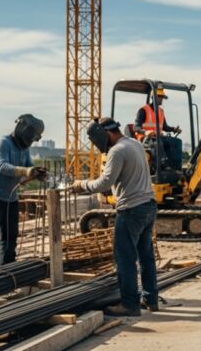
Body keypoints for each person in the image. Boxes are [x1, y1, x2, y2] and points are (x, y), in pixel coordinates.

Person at [73, 117, 158, 317]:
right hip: (148, 206)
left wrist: (81, 185)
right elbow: (125, 177)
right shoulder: (135, 144)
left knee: (125, 257)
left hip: (131, 209)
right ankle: (151, 299)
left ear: (105, 133)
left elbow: (104, 183)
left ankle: (129, 304)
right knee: (146, 256)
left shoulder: (117, 151)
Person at [0, 115, 47, 274]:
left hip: (10, 197)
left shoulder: (24, 148)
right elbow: (2, 167)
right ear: (23, 130)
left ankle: (8, 271)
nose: (30, 142)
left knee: (11, 235)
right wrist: (26, 171)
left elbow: (28, 167)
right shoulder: (3, 142)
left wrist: (36, 173)